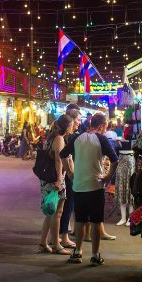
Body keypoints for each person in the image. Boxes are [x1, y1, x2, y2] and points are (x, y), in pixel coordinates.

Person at [60, 112, 119, 266]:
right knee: (95, 221)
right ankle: (95, 255)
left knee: (79, 220)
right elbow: (114, 160)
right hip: (96, 185)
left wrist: (71, 173)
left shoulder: (76, 138)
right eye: (105, 127)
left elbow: (63, 155)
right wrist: (107, 176)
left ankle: (77, 252)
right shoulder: (101, 139)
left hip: (78, 186)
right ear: (101, 126)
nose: (105, 130)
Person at [38, 115, 73, 255]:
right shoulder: (59, 139)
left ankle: (43, 243)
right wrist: (59, 179)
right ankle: (57, 245)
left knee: (50, 212)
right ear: (67, 126)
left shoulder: (51, 137)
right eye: (71, 125)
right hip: (55, 179)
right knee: (57, 213)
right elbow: (58, 160)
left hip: (48, 179)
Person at [59, 104, 81, 248]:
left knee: (63, 207)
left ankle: (58, 235)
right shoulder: (69, 138)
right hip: (67, 175)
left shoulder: (65, 137)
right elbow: (65, 158)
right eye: (78, 119)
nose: (80, 122)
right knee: (67, 205)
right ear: (72, 120)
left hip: (65, 174)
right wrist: (71, 174)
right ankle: (64, 236)